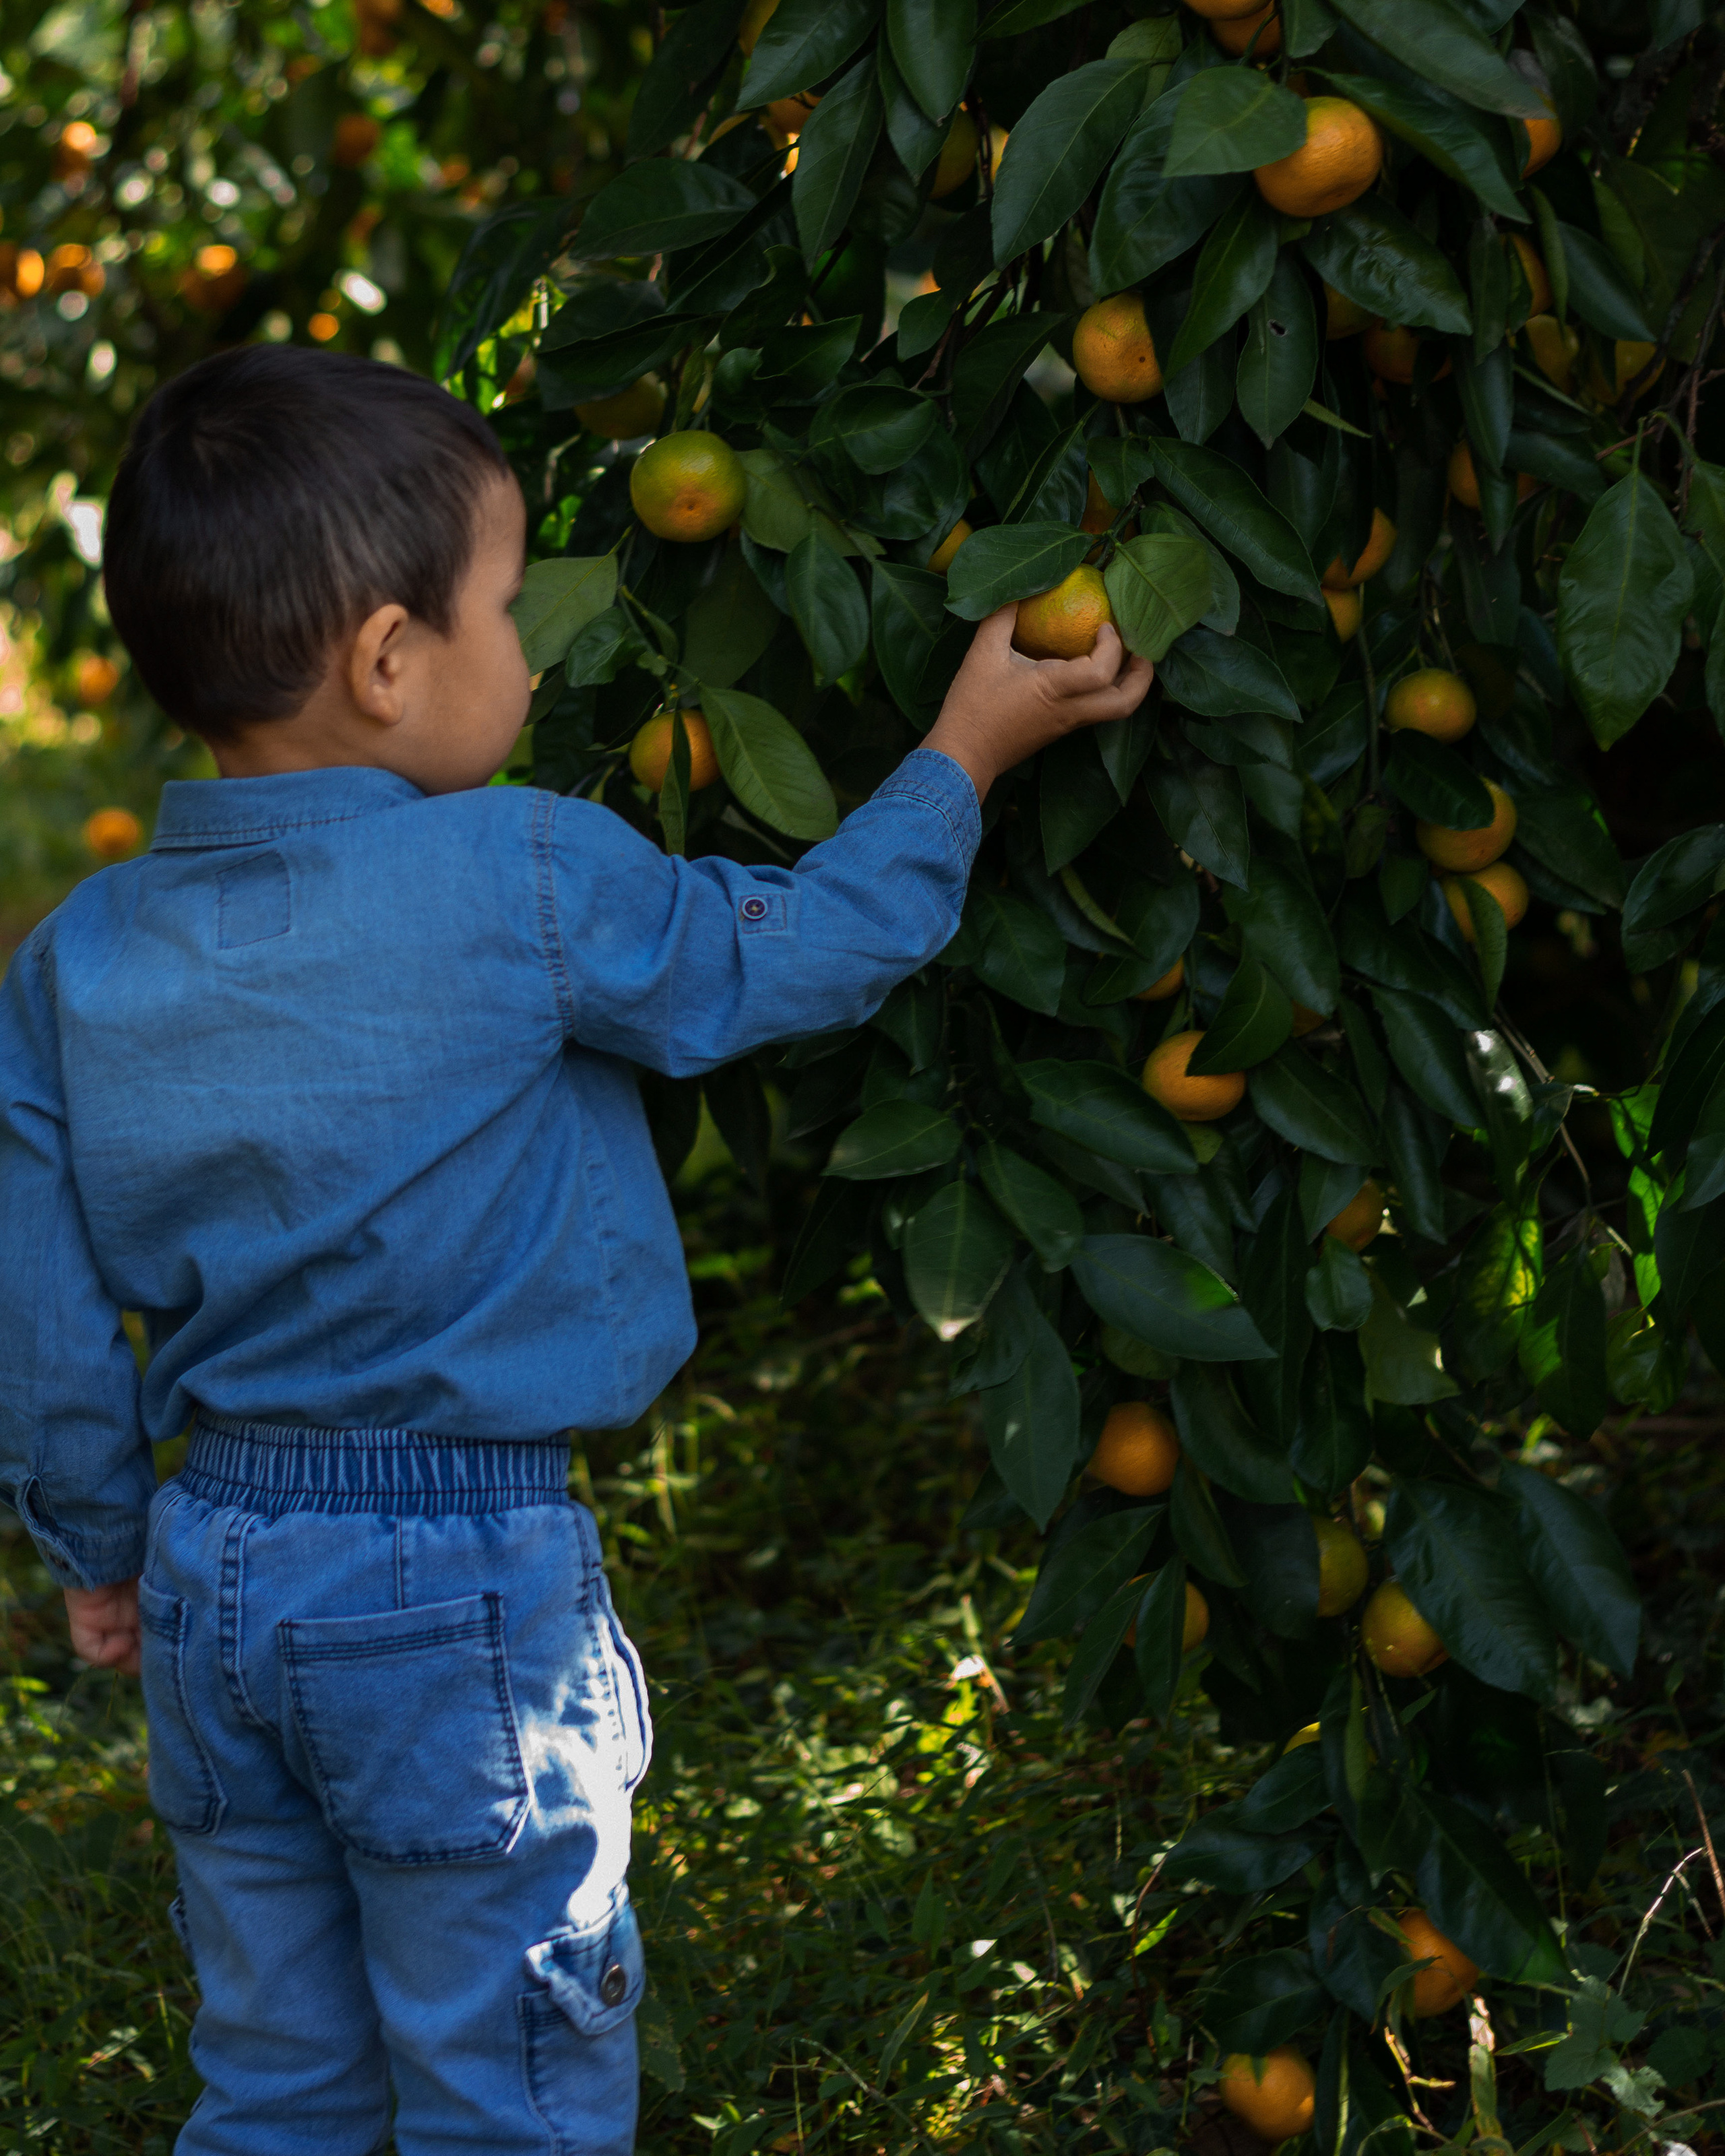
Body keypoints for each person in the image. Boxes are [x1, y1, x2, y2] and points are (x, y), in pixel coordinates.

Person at [0, 344, 1152, 2154]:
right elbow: (791, 955)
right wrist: (965, 752)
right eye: (505, 609)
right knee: (510, 2085)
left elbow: (45, 1304)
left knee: (276, 2076)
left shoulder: (73, 960)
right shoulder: (526, 873)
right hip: (456, 1578)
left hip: (214, 1571)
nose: (532, 659)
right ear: (390, 659)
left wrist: (97, 1544)